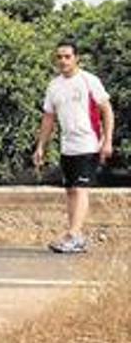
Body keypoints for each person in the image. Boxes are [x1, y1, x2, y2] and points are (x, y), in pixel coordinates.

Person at [34, 40, 114, 254]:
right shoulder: (54, 85)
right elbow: (48, 118)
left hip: (89, 143)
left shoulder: (89, 81)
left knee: (80, 189)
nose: (63, 61)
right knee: (70, 191)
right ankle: (76, 236)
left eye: (67, 56)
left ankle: (73, 235)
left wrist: (107, 141)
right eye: (59, 57)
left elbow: (107, 110)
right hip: (67, 146)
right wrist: (41, 146)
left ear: (76, 58)